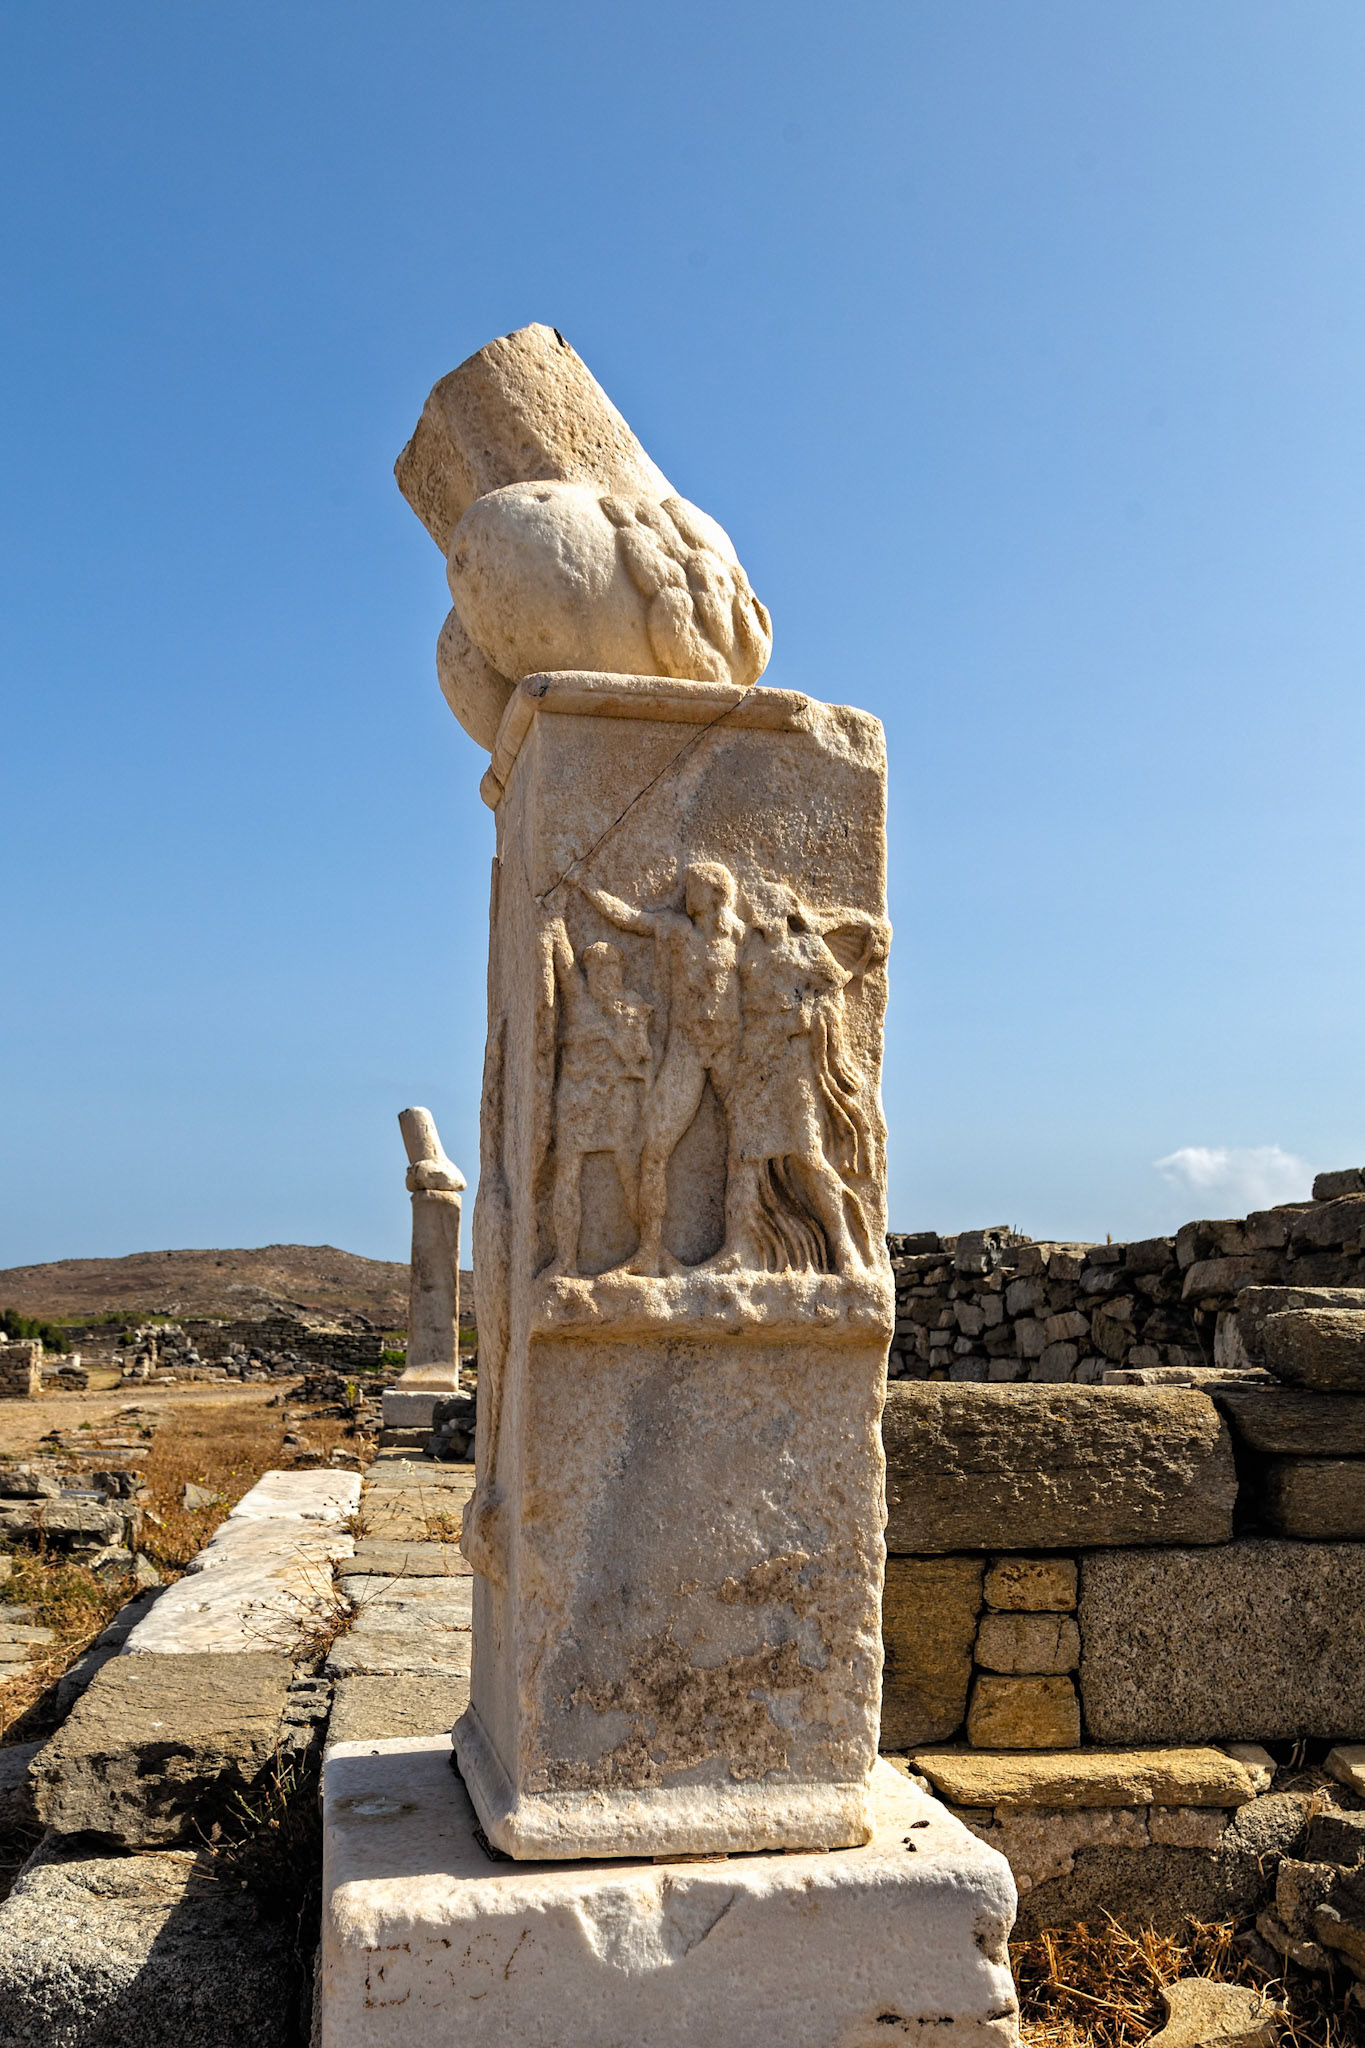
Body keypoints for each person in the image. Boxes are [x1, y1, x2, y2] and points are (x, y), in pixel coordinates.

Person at [572, 861, 743, 1275]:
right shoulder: (676, 930)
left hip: (729, 1049)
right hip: (687, 1048)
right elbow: (629, 918)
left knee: (747, 1145)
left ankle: (742, 1247)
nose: (687, 892)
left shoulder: (741, 935)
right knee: (654, 1147)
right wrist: (587, 887)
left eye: (695, 886)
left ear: (716, 894)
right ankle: (650, 1249)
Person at [543, 917, 653, 1276]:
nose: (603, 977)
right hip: (577, 1097)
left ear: (620, 972)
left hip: (617, 1098)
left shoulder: (633, 1006)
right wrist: (554, 919)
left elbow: (639, 1054)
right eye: (595, 971)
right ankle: (566, 1260)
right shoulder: (579, 1001)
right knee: (567, 1173)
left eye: (610, 970)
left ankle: (648, 1248)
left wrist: (611, 1034)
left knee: (629, 1171)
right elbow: (564, 965)